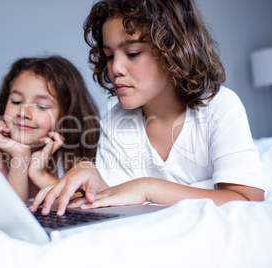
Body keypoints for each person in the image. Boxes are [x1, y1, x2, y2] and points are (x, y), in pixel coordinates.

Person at [30, 0, 266, 216]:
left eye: (132, 53)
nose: (116, 68)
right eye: (109, 56)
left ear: (174, 51)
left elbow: (247, 200)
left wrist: (148, 187)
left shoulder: (220, 107)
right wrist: (92, 175)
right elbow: (118, 194)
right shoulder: (115, 118)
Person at [0, 56, 100, 203]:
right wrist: (20, 156)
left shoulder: (71, 151)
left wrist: (40, 175)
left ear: (65, 118)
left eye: (42, 106)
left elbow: (86, 205)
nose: (23, 113)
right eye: (16, 101)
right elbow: (12, 213)